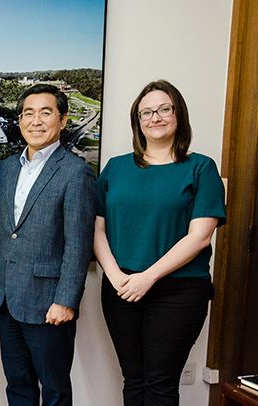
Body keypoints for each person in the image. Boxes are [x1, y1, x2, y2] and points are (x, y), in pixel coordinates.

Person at [94, 80, 225, 406]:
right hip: (121, 287)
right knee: (133, 381)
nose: (156, 117)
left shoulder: (200, 168)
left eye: (164, 109)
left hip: (178, 292)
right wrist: (115, 277)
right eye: (146, 112)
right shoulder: (116, 167)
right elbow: (97, 229)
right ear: (137, 121)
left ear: (178, 113)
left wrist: (148, 277)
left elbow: (200, 236)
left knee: (160, 385)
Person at [0, 83, 96, 406]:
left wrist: (66, 300)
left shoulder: (76, 173)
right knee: (17, 386)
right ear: (20, 120)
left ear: (63, 120)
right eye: (28, 113)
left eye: (46, 112)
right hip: (7, 297)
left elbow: (78, 245)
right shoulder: (7, 169)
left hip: (49, 304)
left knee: (54, 391)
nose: (36, 121)